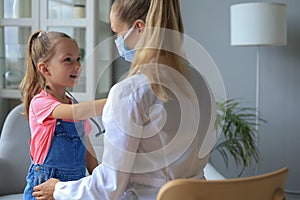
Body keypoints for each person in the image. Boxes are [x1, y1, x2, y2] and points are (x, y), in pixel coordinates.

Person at [32, 0, 216, 199]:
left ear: (139, 28)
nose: (118, 42)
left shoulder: (130, 92)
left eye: (118, 34)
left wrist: (58, 190)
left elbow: (108, 188)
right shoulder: (199, 82)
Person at [20, 30, 107, 200]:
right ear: (45, 69)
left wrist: (100, 180)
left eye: (78, 59)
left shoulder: (72, 104)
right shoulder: (40, 103)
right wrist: (116, 99)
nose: (77, 66)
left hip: (73, 189)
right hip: (44, 189)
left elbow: (87, 150)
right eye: (68, 60)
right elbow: (77, 112)